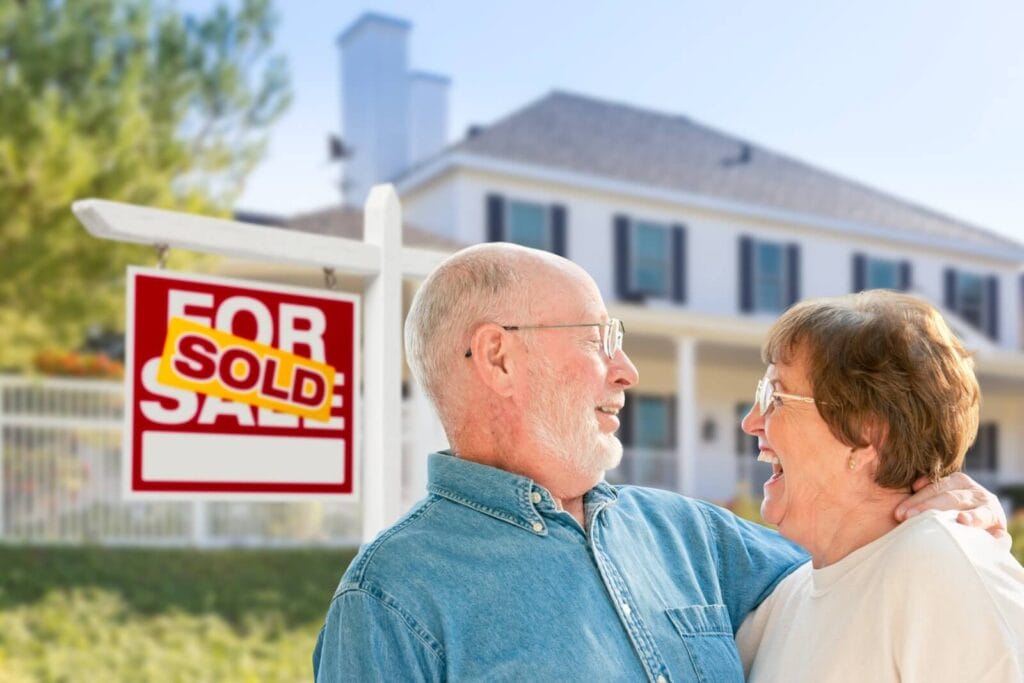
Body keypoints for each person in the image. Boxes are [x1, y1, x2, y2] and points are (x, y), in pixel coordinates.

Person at [314, 244, 1005, 681]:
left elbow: (861, 560)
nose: (628, 369)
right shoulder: (388, 603)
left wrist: (943, 500)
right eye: (599, 338)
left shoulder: (690, 536)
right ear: (498, 356)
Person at [736, 290, 1024, 682]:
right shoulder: (784, 601)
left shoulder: (938, 565)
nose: (751, 422)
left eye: (775, 396)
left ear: (866, 430)